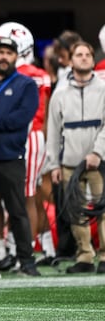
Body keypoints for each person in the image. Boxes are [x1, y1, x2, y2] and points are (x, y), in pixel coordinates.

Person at [45, 41, 105, 274]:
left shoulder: (103, 89)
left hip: (98, 161)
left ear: (92, 59)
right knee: (75, 211)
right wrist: (53, 165)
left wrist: (97, 152)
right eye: (78, 55)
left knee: (102, 209)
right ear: (71, 61)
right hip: (69, 161)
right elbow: (53, 131)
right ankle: (85, 257)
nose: (83, 58)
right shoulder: (60, 93)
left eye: (87, 54)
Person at [0, 35, 40, 277]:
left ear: (16, 56)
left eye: (9, 52)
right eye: (0, 52)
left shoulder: (25, 84)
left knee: (17, 211)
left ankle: (26, 261)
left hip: (11, 157)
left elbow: (25, 115)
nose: (4, 56)